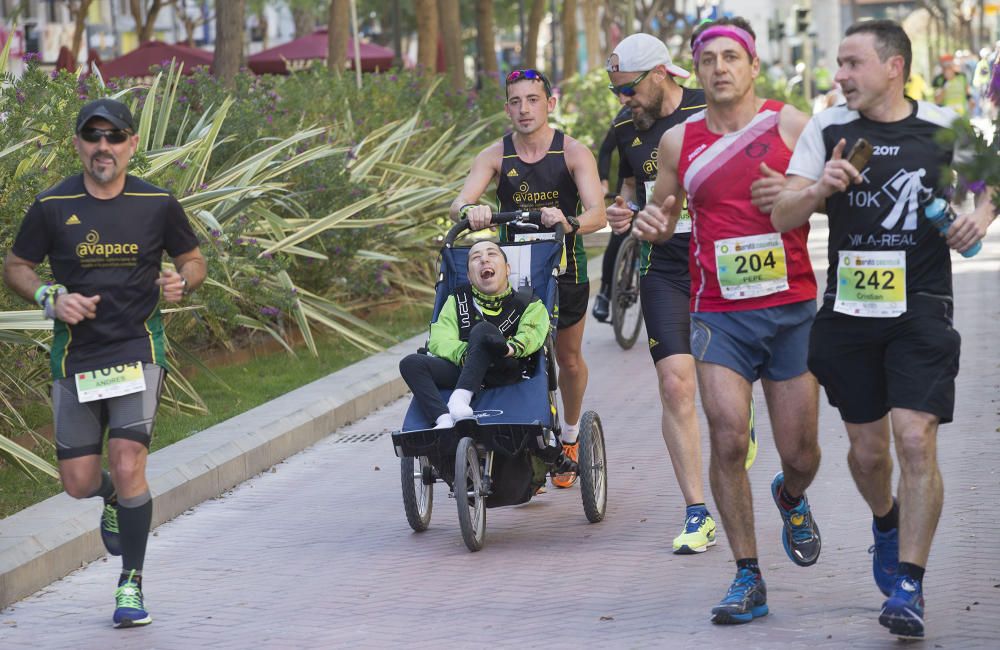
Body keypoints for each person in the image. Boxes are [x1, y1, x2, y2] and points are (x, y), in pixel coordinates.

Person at [772, 19, 996, 640]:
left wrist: (978, 215)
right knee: (870, 455)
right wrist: (819, 187)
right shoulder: (828, 129)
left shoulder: (947, 126)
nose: (839, 75)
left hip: (922, 307)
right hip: (850, 312)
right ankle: (885, 518)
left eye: (852, 63)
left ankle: (909, 583)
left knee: (915, 439)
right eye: (839, 63)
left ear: (893, 67)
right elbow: (781, 210)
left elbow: (992, 179)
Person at [636, 17, 822, 623]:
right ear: (697, 69)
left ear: (752, 66)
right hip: (719, 310)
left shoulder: (792, 125)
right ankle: (748, 575)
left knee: (801, 451)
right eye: (708, 58)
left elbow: (826, 198)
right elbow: (661, 212)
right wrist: (653, 225)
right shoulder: (677, 141)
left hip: (791, 307)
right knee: (726, 435)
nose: (719, 67)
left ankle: (790, 497)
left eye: (730, 57)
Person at [3, 98, 206, 627]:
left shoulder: (157, 202)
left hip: (137, 350)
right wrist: (50, 296)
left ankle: (131, 586)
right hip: (77, 356)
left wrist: (183, 280)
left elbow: (193, 257)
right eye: (93, 136)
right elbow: (18, 265)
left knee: (128, 459)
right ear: (78, 144)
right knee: (77, 480)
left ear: (132, 144)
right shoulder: (53, 204)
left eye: (114, 137)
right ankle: (110, 495)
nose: (103, 146)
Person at [450, 69, 606, 488]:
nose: (524, 109)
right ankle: (519, 439)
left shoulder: (572, 153)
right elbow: (460, 203)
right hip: (513, 277)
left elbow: (598, 214)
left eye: (533, 100)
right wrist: (471, 212)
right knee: (519, 357)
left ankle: (570, 435)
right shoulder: (495, 156)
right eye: (516, 101)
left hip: (564, 269)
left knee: (567, 359)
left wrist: (567, 219)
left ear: (549, 103)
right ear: (507, 108)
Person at [604, 33, 729, 555]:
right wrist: (617, 213)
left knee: (728, 396)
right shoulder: (622, 130)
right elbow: (623, 195)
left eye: (628, 89)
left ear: (660, 73)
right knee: (676, 385)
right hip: (666, 262)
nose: (622, 101)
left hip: (721, 261)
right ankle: (697, 511)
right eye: (615, 92)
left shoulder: (712, 108)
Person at [399, 240, 550, 428]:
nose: (484, 260)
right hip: (463, 367)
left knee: (482, 330)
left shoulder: (529, 303)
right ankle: (443, 420)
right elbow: (439, 341)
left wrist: (509, 348)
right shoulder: (457, 300)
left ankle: (459, 399)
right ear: (470, 276)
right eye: (476, 258)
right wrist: (472, 354)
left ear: (508, 269)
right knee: (411, 363)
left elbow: (531, 335)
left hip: (504, 367)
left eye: (492, 254)